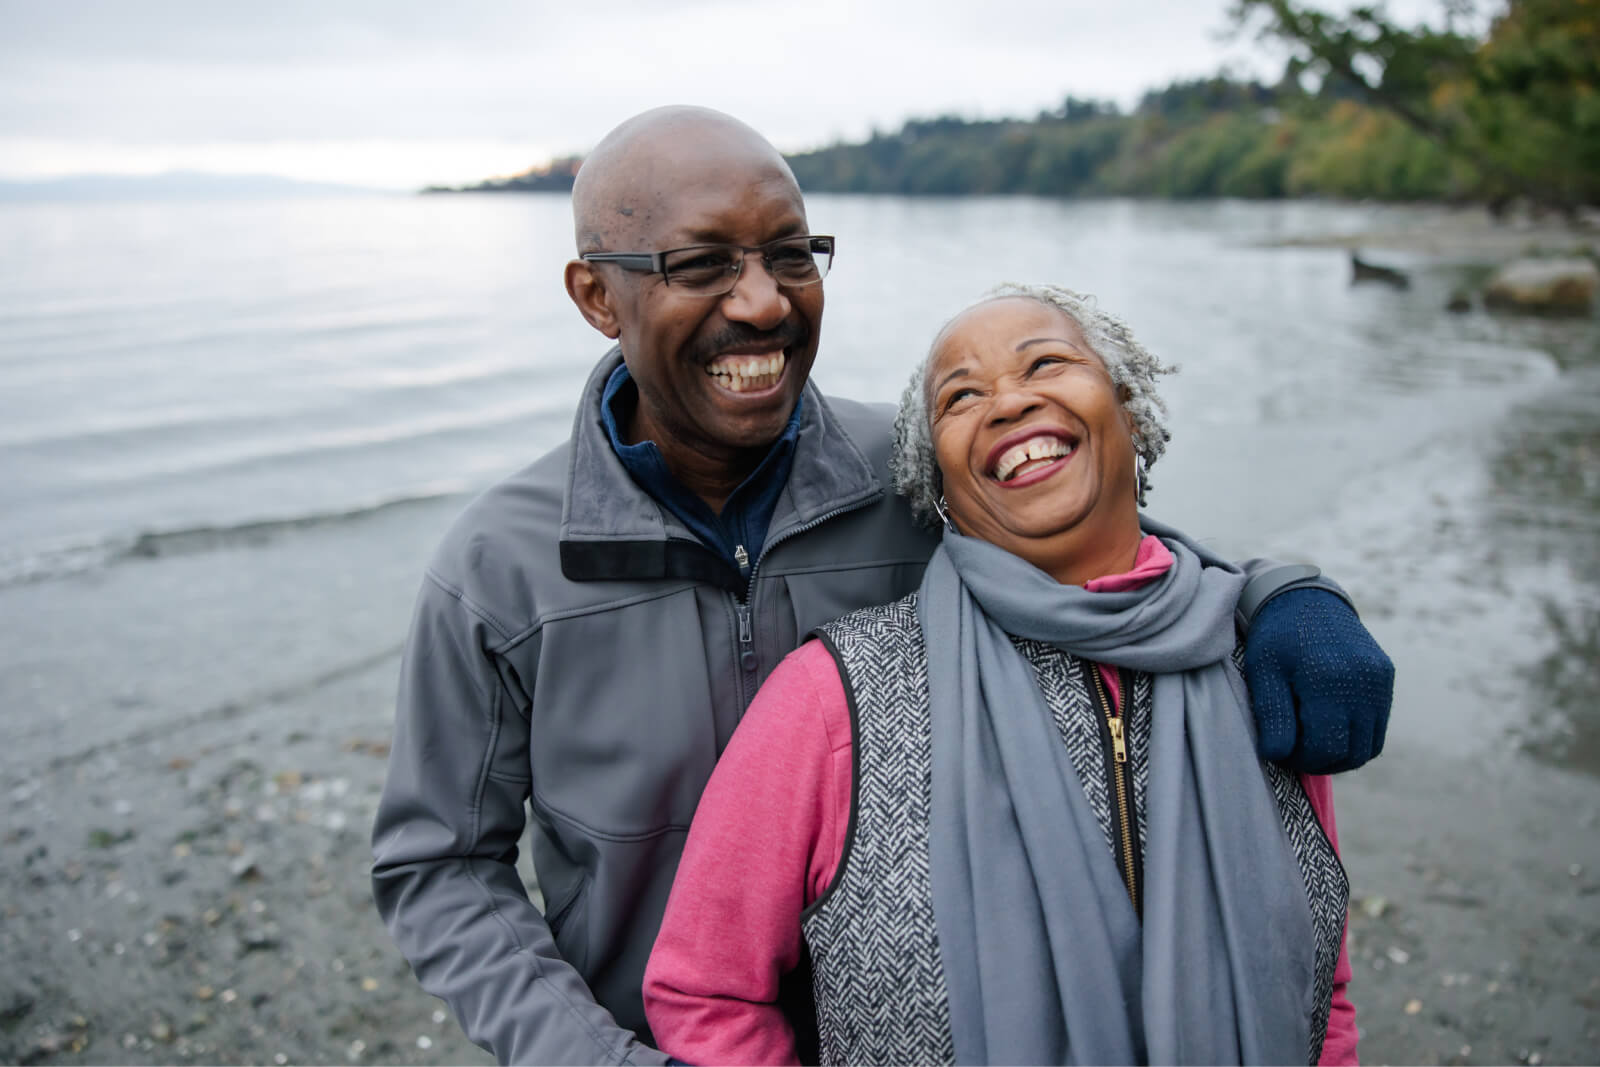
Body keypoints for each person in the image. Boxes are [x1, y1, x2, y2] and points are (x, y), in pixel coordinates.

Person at [371, 106, 1393, 1066]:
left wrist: (1274, 594)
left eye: (790, 253)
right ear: (598, 296)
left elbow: (1085, 532)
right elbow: (442, 867)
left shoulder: (907, 476)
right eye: (700, 264)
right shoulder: (500, 571)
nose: (764, 301)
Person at [644, 284, 1362, 1066]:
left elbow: (1317, 986)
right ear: (939, 485)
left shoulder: (1265, 658)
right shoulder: (830, 699)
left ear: (1129, 409)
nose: (1011, 402)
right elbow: (704, 991)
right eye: (962, 397)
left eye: (1048, 362)